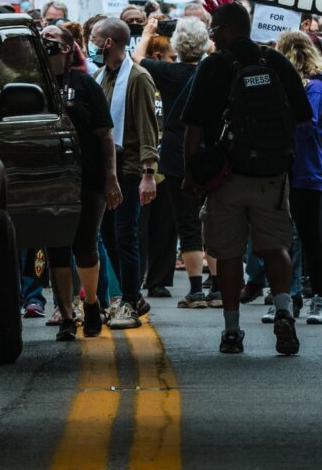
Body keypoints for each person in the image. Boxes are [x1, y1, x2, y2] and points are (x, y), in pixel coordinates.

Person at [181, 2, 313, 355]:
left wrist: (191, 174)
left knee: (228, 254)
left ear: (225, 29)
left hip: (226, 178)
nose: (211, 37)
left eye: (213, 30)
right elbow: (302, 118)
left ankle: (232, 330)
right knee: (275, 248)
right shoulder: (276, 62)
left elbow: (192, 127)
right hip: (272, 175)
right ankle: (284, 310)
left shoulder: (214, 66)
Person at [40, 24, 120, 341]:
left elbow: (105, 135)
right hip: (49, 181)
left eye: (50, 39)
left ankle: (90, 301)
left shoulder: (86, 84)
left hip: (88, 179)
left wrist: (111, 179)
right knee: (56, 249)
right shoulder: (34, 85)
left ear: (66, 48)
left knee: (85, 246)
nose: (43, 42)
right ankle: (66, 317)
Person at [89, 18, 161, 330]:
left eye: (94, 38)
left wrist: (148, 173)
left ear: (108, 43)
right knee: (109, 237)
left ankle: (130, 302)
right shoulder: (101, 75)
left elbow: (148, 128)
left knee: (125, 236)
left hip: (130, 169)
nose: (90, 43)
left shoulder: (139, 77)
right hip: (108, 171)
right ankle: (134, 296)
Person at [145, 17, 213, 310]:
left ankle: (196, 290)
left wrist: (148, 32)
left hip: (176, 151)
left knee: (187, 223)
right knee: (215, 220)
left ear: (176, 45)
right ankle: (220, 288)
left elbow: (136, 59)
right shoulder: (214, 71)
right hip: (211, 151)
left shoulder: (168, 72)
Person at [275, 30, 322, 325]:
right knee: (283, 238)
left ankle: (319, 298)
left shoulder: (316, 87)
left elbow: (306, 122)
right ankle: (288, 297)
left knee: (311, 236)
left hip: (308, 168)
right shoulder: (298, 85)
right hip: (285, 168)